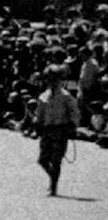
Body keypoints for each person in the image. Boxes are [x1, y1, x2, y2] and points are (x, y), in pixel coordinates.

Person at [36, 65, 80, 198]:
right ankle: (53, 177)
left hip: (60, 130)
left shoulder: (66, 97)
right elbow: (40, 113)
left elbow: (75, 113)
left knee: (56, 160)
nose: (52, 81)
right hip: (47, 130)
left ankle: (53, 186)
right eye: (50, 79)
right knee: (43, 160)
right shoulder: (43, 96)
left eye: (54, 79)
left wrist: (72, 126)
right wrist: (38, 124)